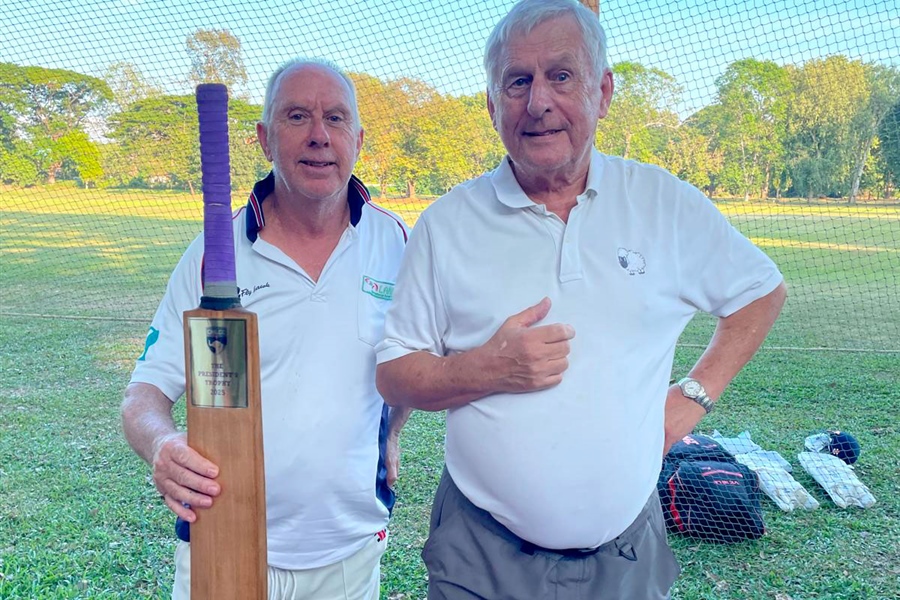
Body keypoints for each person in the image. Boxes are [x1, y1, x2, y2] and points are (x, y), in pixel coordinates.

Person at [374, 1, 787, 598]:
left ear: (603, 90)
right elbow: (394, 375)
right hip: (481, 555)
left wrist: (691, 398)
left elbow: (760, 292)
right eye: (517, 81)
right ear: (492, 105)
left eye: (560, 76)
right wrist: (486, 368)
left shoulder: (663, 204)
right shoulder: (447, 224)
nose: (538, 101)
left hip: (625, 552)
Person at [122, 58, 411, 600]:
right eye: (297, 116)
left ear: (358, 138)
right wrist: (161, 444)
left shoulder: (396, 243)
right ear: (264, 138)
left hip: (349, 548)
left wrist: (392, 432)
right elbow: (143, 393)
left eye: (336, 118)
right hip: (222, 541)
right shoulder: (215, 255)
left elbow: (411, 356)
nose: (319, 136)